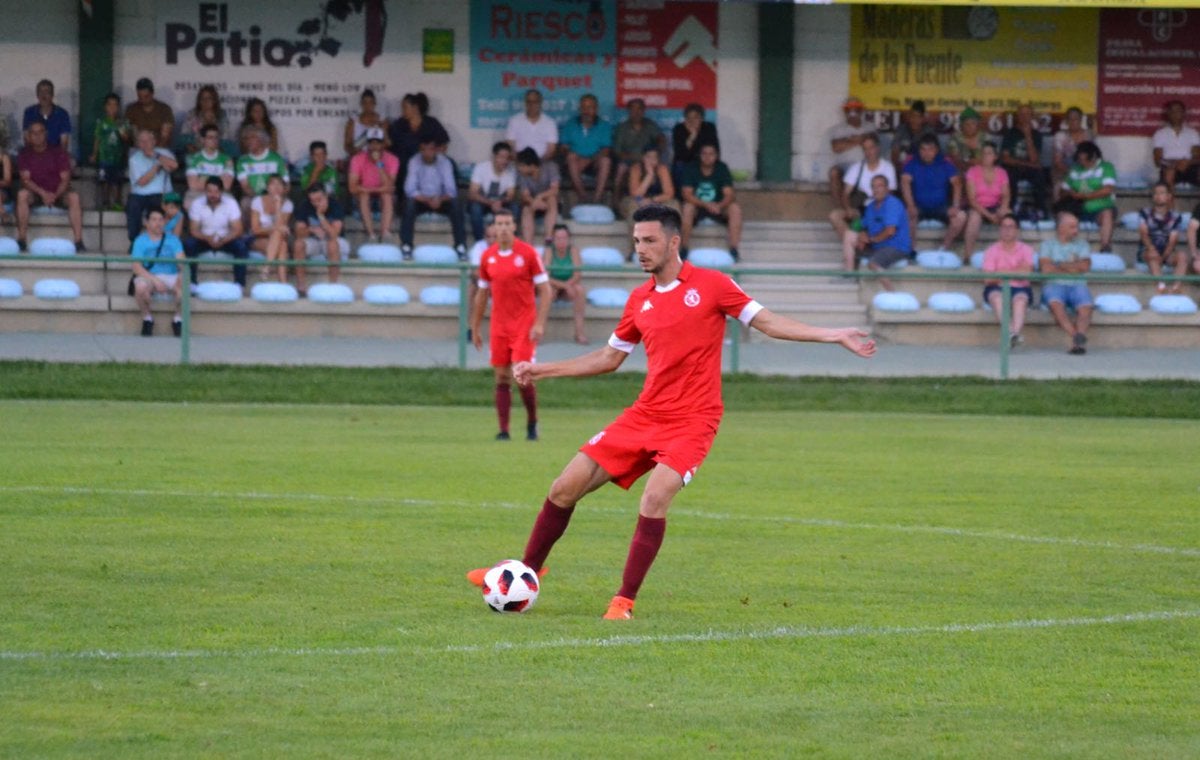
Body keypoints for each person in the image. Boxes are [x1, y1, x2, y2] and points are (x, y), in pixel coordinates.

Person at [465, 203, 876, 620]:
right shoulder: (639, 299)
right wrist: (542, 369)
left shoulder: (713, 285)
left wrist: (834, 334)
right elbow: (610, 357)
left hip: (694, 421)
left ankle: (623, 601)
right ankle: (520, 574)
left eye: (649, 241)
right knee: (562, 488)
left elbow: (767, 322)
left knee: (654, 496)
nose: (640, 249)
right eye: (636, 241)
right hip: (644, 415)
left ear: (674, 241)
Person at [468, 207, 552, 441]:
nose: (503, 228)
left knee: (521, 375)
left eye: (507, 224)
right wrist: (474, 327)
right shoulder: (488, 257)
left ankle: (532, 422)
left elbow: (545, 290)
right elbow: (482, 294)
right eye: (499, 224)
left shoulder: (527, 254)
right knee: (501, 377)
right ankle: (504, 430)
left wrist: (539, 323)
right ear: (494, 228)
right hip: (499, 326)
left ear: (514, 226)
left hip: (524, 325)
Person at [15, 121, 84, 252]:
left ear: (46, 134)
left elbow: (65, 179)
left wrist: (54, 195)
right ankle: (22, 240)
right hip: (35, 194)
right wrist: (43, 194)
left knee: (74, 197)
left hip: (58, 193)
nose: (37, 136)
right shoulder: (24, 154)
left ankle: (78, 241)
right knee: (22, 194)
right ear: (28, 136)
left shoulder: (58, 152)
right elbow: (26, 180)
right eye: (33, 133)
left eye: (40, 132)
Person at [1038, 212, 1093, 355]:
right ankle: (1077, 337)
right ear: (1061, 228)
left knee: (1086, 308)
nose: (1076, 230)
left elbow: (1085, 267)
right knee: (1056, 306)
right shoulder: (1047, 245)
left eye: (1077, 227)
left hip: (1078, 284)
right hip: (1054, 284)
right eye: (1072, 227)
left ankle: (1077, 340)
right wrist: (1073, 266)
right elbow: (1045, 269)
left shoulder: (1082, 244)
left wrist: (1058, 265)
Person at [402, 137, 466, 259]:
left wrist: (440, 199)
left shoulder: (445, 162)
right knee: (408, 204)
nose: (427, 153)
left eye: (430, 149)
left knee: (456, 204)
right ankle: (407, 246)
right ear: (420, 150)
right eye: (423, 149)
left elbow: (451, 190)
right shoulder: (414, 161)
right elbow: (409, 189)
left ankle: (460, 246)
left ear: (436, 150)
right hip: (421, 200)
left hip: (440, 200)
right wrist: (426, 199)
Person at [843, 174, 911, 291]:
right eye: (873, 187)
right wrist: (861, 234)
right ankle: (849, 275)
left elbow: (890, 231)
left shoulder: (892, 203)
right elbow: (859, 225)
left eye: (880, 186)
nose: (876, 189)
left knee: (873, 263)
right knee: (849, 235)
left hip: (896, 247)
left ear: (887, 189)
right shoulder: (870, 206)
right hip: (877, 246)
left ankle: (893, 294)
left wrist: (871, 239)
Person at [900, 134, 965, 252]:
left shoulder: (945, 163)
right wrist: (910, 205)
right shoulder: (912, 162)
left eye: (930, 149)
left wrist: (955, 206)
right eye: (923, 149)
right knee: (905, 214)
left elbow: (957, 184)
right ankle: (912, 250)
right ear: (918, 151)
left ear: (936, 150)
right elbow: (905, 182)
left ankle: (943, 249)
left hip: (941, 207)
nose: (927, 153)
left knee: (960, 217)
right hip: (919, 207)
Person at [129, 204, 185, 337]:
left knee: (185, 282)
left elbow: (182, 262)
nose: (158, 223)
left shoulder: (173, 240)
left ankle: (178, 319)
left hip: (171, 274)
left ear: (165, 222)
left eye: (160, 220)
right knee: (141, 287)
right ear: (147, 223)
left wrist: (182, 275)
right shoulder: (140, 241)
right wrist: (155, 280)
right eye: (154, 220)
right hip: (150, 276)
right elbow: (136, 267)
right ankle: (147, 318)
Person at [679, 143, 743, 260]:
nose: (707, 157)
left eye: (711, 154)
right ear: (699, 155)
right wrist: (706, 205)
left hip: (718, 207)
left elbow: (729, 194)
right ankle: (684, 248)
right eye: (704, 154)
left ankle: (734, 249)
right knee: (687, 208)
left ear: (716, 156)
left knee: (735, 209)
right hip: (697, 206)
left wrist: (720, 205)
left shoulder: (722, 168)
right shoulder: (691, 168)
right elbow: (686, 194)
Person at [981, 214, 1034, 348]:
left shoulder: (1026, 250)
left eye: (1011, 227)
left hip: (1020, 287)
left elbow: (1026, 274)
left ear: (1017, 230)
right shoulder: (991, 250)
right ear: (1000, 229)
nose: (1007, 230)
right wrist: (1016, 270)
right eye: (1004, 227)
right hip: (996, 287)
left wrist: (1002, 272)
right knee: (997, 298)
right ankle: (1012, 334)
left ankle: (1012, 335)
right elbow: (988, 279)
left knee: (1020, 300)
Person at [186, 175, 248, 289]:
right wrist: (207, 238)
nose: (213, 195)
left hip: (226, 238)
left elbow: (238, 229)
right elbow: (193, 230)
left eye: (216, 191)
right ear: (205, 191)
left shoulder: (231, 203)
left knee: (241, 246)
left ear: (222, 191)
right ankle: (192, 283)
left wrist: (224, 239)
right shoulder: (197, 203)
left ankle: (239, 284)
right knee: (190, 244)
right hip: (204, 239)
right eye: (209, 191)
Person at [828, 133, 895, 238]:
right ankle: (855, 240)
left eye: (871, 148)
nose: (868, 152)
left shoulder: (888, 167)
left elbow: (890, 193)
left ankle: (857, 240)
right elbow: (845, 193)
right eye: (865, 149)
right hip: (860, 212)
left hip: (879, 211)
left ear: (877, 148)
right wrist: (848, 208)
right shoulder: (857, 168)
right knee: (834, 216)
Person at [1057, 140, 1116, 253]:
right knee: (1063, 215)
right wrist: (1071, 193)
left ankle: (1105, 247)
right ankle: (1062, 247)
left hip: (1100, 209)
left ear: (1093, 156)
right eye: (1080, 160)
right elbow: (1062, 191)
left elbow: (1108, 189)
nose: (1082, 163)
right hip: (1077, 209)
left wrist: (1085, 196)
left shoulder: (1106, 167)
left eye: (1086, 160)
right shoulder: (1074, 169)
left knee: (1107, 213)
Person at [125, 128, 178, 244]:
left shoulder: (164, 153)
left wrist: (156, 155)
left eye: (148, 141)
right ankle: (134, 242)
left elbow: (174, 165)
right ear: (138, 144)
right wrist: (157, 167)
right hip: (140, 194)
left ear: (154, 141)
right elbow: (142, 182)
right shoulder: (134, 159)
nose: (145, 144)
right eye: (141, 142)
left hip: (162, 193)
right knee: (132, 206)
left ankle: (161, 242)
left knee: (160, 205)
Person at [388, 92, 450, 190]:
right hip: (403, 168)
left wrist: (431, 155)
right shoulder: (399, 124)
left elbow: (443, 144)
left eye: (405, 107)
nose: (402, 111)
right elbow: (390, 146)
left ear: (415, 107)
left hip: (427, 165)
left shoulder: (431, 123)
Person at [559, 93, 613, 205]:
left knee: (606, 161)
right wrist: (576, 156)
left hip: (595, 163)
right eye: (583, 107)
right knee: (571, 157)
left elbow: (606, 150)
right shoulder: (571, 124)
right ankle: (582, 196)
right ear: (579, 109)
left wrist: (589, 159)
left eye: (590, 107)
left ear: (596, 109)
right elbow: (563, 147)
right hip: (575, 164)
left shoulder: (604, 125)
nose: (586, 111)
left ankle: (597, 199)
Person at [292, 183, 346, 294]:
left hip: (337, 242)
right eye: (313, 201)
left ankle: (333, 286)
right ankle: (301, 285)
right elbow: (298, 232)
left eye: (319, 200)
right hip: (315, 241)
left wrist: (320, 215)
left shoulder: (335, 205)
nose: (316, 203)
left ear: (326, 196)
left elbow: (334, 234)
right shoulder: (305, 205)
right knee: (298, 244)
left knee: (332, 244)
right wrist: (311, 230)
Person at [611, 98, 665, 205]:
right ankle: (616, 202)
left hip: (648, 160)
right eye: (633, 109)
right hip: (628, 160)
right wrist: (635, 158)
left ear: (644, 110)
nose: (636, 112)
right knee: (621, 169)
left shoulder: (650, 125)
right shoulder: (622, 128)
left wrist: (657, 151)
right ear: (628, 111)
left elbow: (661, 139)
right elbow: (617, 152)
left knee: (661, 168)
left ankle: (659, 199)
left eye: (639, 109)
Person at [348, 127, 398, 242]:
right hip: (364, 197)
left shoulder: (392, 159)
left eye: (378, 143)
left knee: (386, 195)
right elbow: (352, 188)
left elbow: (390, 186)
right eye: (371, 143)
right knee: (363, 195)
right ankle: (371, 235)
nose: (374, 147)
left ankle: (385, 233)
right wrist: (370, 190)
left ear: (383, 144)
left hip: (382, 196)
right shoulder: (357, 159)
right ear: (367, 144)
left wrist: (379, 164)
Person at [1000, 103, 1050, 220]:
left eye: (1027, 114)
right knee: (1009, 176)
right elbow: (1006, 159)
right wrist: (1028, 164)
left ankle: (1041, 210)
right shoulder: (1010, 133)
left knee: (1039, 176)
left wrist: (1028, 135)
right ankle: (1010, 211)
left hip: (1029, 168)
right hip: (1013, 167)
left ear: (1032, 116)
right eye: (1021, 114)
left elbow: (1034, 159)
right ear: (1017, 116)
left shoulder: (1036, 135)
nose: (1024, 117)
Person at [963, 141, 1011, 260]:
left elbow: (1006, 195)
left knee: (1009, 216)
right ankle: (967, 256)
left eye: (989, 153)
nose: (985, 156)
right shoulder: (972, 171)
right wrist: (990, 216)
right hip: (977, 207)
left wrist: (1002, 209)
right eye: (983, 153)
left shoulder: (1002, 172)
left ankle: (1008, 254)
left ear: (995, 157)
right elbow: (972, 200)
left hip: (995, 205)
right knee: (974, 218)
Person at [543, 224, 588, 345]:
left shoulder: (573, 251)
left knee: (580, 290)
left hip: (570, 285)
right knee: (548, 291)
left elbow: (577, 274)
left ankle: (579, 332)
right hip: (554, 285)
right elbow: (545, 276)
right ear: (553, 239)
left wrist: (568, 285)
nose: (561, 241)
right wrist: (564, 286)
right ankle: (540, 332)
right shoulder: (549, 251)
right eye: (558, 238)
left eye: (564, 238)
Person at [1137, 182, 1185, 294]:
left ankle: (1176, 287)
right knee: (1152, 255)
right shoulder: (1144, 213)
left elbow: (1173, 241)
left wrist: (1163, 257)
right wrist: (1152, 249)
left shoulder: (1176, 217)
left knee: (1182, 256)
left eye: (1162, 193)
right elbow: (1143, 234)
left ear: (1169, 196)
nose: (1158, 196)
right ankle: (1161, 286)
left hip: (1167, 252)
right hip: (1147, 250)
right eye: (1155, 193)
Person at [827, 96, 873, 208]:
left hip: (866, 165)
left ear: (861, 111)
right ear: (845, 111)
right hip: (845, 166)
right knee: (834, 172)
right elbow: (836, 147)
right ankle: (840, 209)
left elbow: (872, 142)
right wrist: (859, 140)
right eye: (849, 109)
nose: (852, 112)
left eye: (856, 109)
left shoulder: (870, 126)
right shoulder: (837, 129)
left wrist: (848, 140)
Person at [467, 141, 518, 242]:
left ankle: (507, 242)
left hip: (500, 202)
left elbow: (510, 195)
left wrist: (500, 202)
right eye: (502, 157)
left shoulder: (511, 171)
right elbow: (472, 193)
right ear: (494, 156)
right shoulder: (481, 168)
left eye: (507, 158)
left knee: (514, 208)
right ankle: (480, 242)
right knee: (475, 208)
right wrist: (491, 203)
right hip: (483, 201)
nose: (505, 161)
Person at [236, 127, 289, 218]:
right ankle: (250, 231)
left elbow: (286, 184)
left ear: (262, 140)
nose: (248, 141)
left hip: (275, 196)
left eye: (252, 137)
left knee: (285, 203)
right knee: (245, 203)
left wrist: (275, 197)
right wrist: (260, 199)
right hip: (253, 197)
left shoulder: (276, 158)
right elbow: (245, 186)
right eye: (246, 138)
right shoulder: (243, 161)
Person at [89, 93, 130, 211]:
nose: (112, 108)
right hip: (104, 157)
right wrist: (94, 154)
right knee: (104, 180)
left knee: (118, 181)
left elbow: (126, 139)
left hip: (118, 157)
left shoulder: (123, 122)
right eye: (109, 105)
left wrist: (120, 127)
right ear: (105, 107)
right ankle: (105, 202)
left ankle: (117, 202)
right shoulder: (101, 122)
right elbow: (97, 139)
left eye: (115, 105)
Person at [249, 174, 293, 283]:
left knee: (282, 243)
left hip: (277, 239)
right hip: (258, 239)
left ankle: (266, 268)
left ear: (284, 188)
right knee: (279, 237)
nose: (276, 187)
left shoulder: (288, 204)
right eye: (273, 184)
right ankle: (283, 283)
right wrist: (274, 228)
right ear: (267, 187)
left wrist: (278, 206)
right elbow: (255, 230)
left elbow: (282, 229)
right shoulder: (257, 201)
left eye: (279, 184)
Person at [515, 147, 561, 247]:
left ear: (531, 165)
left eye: (522, 166)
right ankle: (528, 246)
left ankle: (548, 239)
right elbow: (525, 195)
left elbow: (555, 189)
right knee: (526, 209)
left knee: (552, 199)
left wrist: (540, 196)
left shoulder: (550, 166)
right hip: (533, 203)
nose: (519, 168)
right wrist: (534, 202)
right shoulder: (522, 174)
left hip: (549, 203)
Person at [1152, 100, 1200, 189]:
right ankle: (1169, 201)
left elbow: (1197, 157)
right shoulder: (1160, 134)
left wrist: (1187, 162)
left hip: (1190, 167)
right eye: (1172, 111)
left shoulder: (1193, 133)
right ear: (1168, 114)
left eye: (1178, 111)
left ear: (1184, 113)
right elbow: (1157, 161)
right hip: (1169, 167)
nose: (1175, 114)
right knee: (1170, 172)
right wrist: (1175, 164)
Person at [621, 145, 677, 220]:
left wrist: (652, 200)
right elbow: (635, 194)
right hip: (636, 199)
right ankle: (637, 231)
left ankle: (669, 231)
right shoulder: (636, 169)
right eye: (648, 157)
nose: (651, 160)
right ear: (643, 158)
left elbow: (669, 193)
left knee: (674, 206)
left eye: (654, 157)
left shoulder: (662, 169)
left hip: (657, 199)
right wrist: (649, 175)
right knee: (634, 208)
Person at [185, 125, 235, 205]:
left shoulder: (227, 159)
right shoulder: (192, 158)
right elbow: (193, 185)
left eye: (216, 137)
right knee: (189, 202)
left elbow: (226, 186)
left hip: (220, 193)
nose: (214, 140)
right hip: (198, 193)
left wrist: (202, 178)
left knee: (231, 203)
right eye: (210, 137)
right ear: (202, 139)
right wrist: (218, 178)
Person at [1052, 106, 1093, 202]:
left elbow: (1093, 159)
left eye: (1076, 119)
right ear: (1066, 121)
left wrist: (1082, 174)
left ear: (1081, 119)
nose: (1073, 121)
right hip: (1064, 172)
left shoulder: (1089, 135)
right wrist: (1074, 174)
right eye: (1070, 119)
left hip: (1085, 172)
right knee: (1059, 187)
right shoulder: (1060, 136)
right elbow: (1058, 162)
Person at [505, 89, 557, 162]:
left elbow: (551, 149)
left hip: (542, 162)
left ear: (540, 103)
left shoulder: (550, 122)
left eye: (535, 102)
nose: (531, 105)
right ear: (525, 103)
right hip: (519, 162)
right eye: (528, 102)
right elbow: (510, 145)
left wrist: (537, 164)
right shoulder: (514, 120)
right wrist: (522, 163)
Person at [671, 103, 719, 182]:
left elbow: (714, 149)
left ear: (702, 118)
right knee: (680, 165)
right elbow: (681, 154)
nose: (692, 120)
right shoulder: (679, 128)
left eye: (696, 117)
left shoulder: (709, 127)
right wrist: (692, 136)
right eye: (688, 117)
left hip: (704, 161)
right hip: (685, 163)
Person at [22, 79, 72, 154]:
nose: (43, 95)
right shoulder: (29, 112)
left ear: (52, 94)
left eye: (47, 92)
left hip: (55, 155)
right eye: (41, 92)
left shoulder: (62, 114)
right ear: (37, 95)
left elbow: (64, 143)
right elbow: (27, 139)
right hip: (34, 154)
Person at [124, 78, 174, 149]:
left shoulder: (164, 109)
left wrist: (154, 152)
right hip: (138, 149)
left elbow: (165, 136)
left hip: (159, 149)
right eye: (140, 97)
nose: (143, 100)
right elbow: (128, 134)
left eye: (146, 97)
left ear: (152, 94)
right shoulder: (131, 109)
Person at [178, 84, 228, 154]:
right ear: (199, 101)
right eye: (202, 98)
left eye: (209, 98)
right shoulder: (192, 114)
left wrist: (213, 152)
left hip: (216, 152)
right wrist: (193, 150)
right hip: (195, 151)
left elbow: (224, 138)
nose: (206, 101)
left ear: (214, 100)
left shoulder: (221, 115)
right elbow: (184, 135)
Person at [890, 100, 937, 167]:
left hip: (925, 168)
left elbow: (936, 154)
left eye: (918, 117)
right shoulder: (901, 130)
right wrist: (901, 169)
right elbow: (894, 153)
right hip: (903, 168)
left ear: (923, 118)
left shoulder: (929, 131)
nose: (915, 120)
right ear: (909, 116)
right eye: (912, 116)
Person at [344, 88, 388, 156]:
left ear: (375, 104)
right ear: (361, 104)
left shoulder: (382, 122)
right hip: (358, 159)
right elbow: (347, 146)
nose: (368, 106)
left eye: (371, 103)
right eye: (365, 103)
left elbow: (387, 143)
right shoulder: (353, 122)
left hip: (376, 159)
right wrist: (355, 150)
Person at [945, 107, 985, 174]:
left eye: (973, 123)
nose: (970, 127)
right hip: (960, 172)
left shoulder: (985, 138)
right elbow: (956, 160)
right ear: (961, 126)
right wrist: (969, 163)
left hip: (982, 173)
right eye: (967, 124)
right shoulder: (955, 138)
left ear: (978, 125)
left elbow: (990, 159)